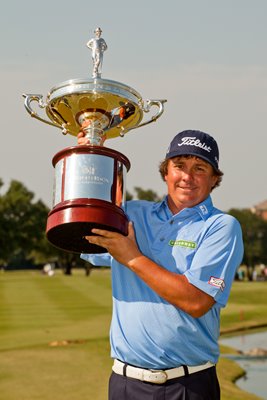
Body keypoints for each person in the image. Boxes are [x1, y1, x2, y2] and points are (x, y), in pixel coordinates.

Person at [78, 129, 244, 400]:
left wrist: (132, 257)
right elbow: (80, 221)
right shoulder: (130, 213)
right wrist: (89, 156)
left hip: (188, 385)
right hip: (124, 384)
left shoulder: (221, 227)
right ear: (165, 172)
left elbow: (197, 301)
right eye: (179, 166)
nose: (187, 177)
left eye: (199, 168)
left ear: (214, 179)